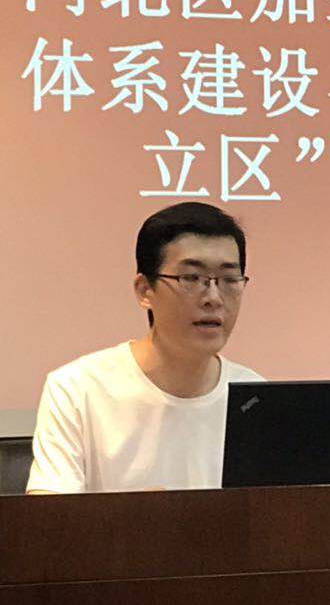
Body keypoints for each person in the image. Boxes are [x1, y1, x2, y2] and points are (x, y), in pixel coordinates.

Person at [26, 201, 264, 493]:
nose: (213, 298)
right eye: (191, 278)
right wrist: (134, 513)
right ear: (145, 290)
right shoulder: (77, 389)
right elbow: (47, 515)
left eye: (229, 280)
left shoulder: (255, 397)